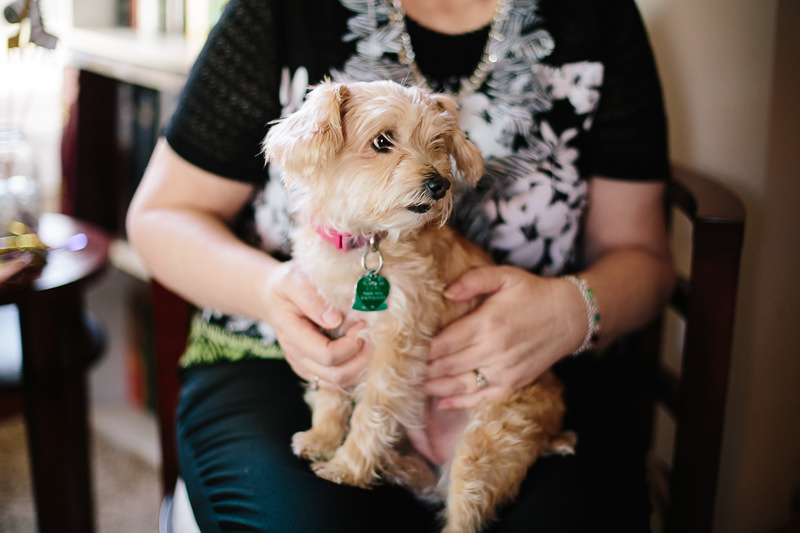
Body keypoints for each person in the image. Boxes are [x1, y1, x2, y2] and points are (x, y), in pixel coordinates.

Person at [126, 0, 675, 530]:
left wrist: (569, 310)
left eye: (433, 149)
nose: (432, 175)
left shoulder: (599, 13)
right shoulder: (274, 11)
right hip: (266, 357)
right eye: (384, 141)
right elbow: (159, 215)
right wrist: (268, 290)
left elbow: (647, 261)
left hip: (525, 372)